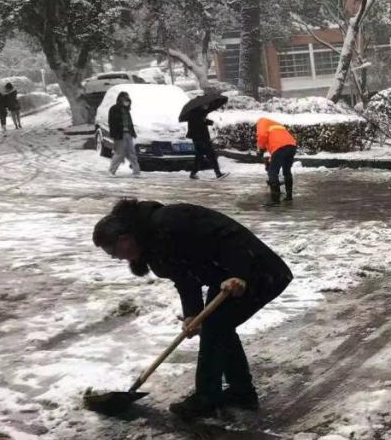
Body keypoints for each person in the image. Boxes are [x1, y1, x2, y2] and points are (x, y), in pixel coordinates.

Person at [92, 198, 293, 419]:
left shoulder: (170, 222)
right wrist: (192, 314)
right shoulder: (151, 245)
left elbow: (229, 238)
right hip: (225, 277)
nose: (116, 258)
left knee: (216, 326)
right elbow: (184, 277)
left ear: (124, 239)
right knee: (217, 327)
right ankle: (241, 393)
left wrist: (239, 274)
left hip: (259, 271)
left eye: (113, 252)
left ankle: (208, 399)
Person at [256, 116, 298, 207]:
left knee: (272, 172)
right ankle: (289, 196)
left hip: (280, 148)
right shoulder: (276, 124)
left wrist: (261, 149)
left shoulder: (261, 121)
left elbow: (262, 136)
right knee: (287, 171)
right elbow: (277, 150)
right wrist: (270, 161)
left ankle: (275, 200)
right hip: (292, 146)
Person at [186, 105, 227, 180]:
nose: (205, 106)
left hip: (197, 139)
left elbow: (202, 122)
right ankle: (218, 173)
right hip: (202, 139)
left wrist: (206, 120)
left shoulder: (194, 113)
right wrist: (207, 121)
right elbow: (200, 123)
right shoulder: (197, 114)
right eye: (204, 105)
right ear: (200, 106)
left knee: (199, 157)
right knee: (211, 155)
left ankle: (193, 173)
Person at [108, 91, 141, 177]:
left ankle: (136, 172)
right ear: (120, 100)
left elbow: (130, 123)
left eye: (128, 101)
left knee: (132, 153)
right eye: (125, 100)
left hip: (128, 134)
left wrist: (133, 132)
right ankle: (112, 171)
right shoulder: (114, 109)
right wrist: (114, 134)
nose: (127, 102)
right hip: (120, 135)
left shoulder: (126, 110)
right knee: (119, 154)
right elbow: (112, 123)